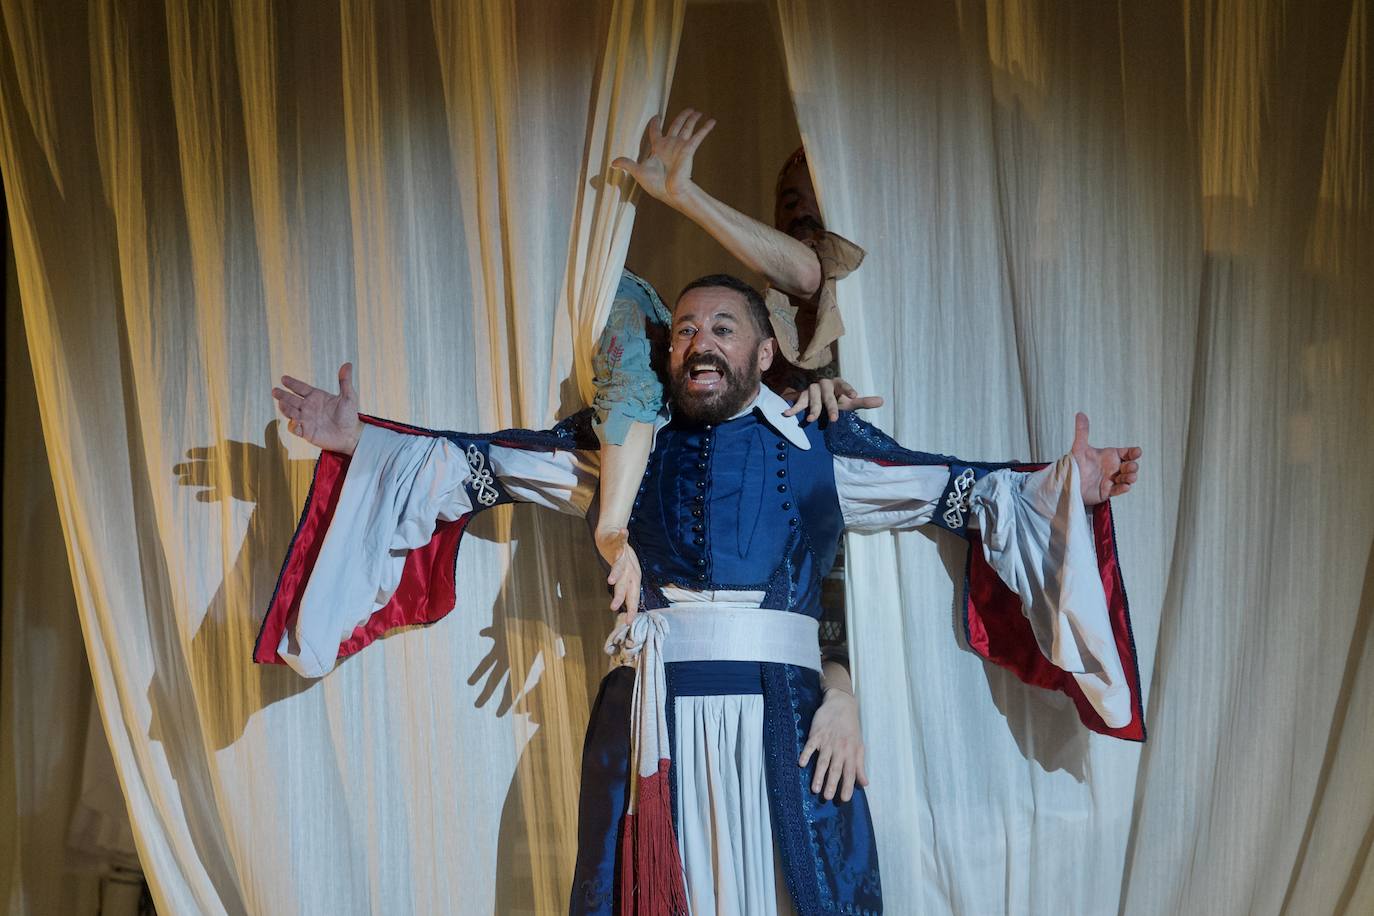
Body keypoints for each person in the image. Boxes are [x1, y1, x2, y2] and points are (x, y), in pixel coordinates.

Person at [259, 272, 1145, 914]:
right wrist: (361, 438)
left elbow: (960, 490)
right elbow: (478, 462)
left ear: (765, 351)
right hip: (649, 717)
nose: (699, 342)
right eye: (684, 329)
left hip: (789, 723)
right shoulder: (618, 448)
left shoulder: (819, 445)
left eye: (724, 327)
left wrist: (1072, 487)